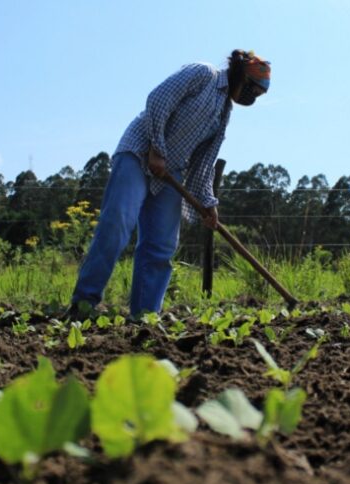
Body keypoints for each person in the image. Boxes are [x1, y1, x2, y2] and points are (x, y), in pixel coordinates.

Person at [67, 49, 270, 319]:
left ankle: (145, 315)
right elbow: (159, 100)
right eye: (252, 90)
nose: (251, 98)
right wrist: (156, 148)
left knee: (161, 245)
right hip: (139, 153)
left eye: (257, 95)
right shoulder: (203, 74)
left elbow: (202, 163)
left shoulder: (224, 114)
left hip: (169, 174)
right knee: (118, 222)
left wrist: (208, 204)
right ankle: (83, 304)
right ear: (240, 76)